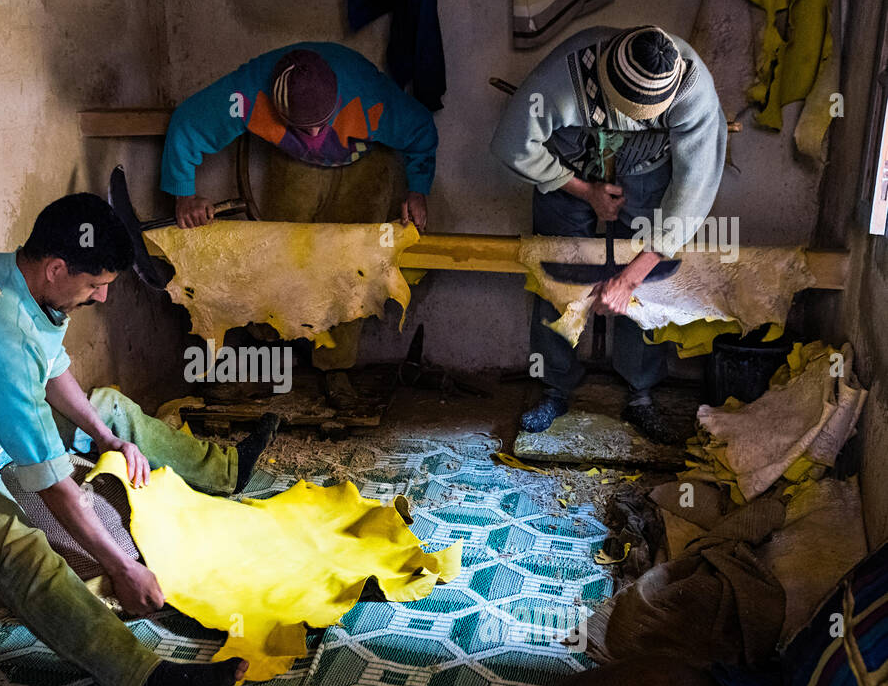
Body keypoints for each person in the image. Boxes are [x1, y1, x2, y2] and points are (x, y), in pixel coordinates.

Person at [0, 193, 280, 686]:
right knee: (19, 548)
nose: (98, 298)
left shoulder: (17, 277)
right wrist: (121, 570)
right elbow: (52, 483)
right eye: (95, 286)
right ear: (55, 269)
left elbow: (51, 369)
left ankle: (226, 470)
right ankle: (147, 681)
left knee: (108, 408)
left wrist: (107, 439)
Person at [161, 42, 439, 407]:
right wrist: (185, 194)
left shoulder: (371, 96)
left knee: (352, 261)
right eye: (301, 127)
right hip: (293, 161)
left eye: (319, 125)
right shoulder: (249, 89)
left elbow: (421, 130)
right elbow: (188, 121)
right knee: (280, 252)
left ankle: (335, 366)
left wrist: (418, 190)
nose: (312, 135)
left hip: (365, 162)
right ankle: (268, 357)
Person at [490, 24, 727, 444]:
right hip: (571, 163)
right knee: (558, 271)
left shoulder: (695, 91)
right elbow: (512, 143)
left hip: (648, 165)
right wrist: (584, 191)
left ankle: (641, 391)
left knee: (651, 279)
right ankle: (554, 384)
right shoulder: (562, 78)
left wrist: (632, 275)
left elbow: (694, 189)